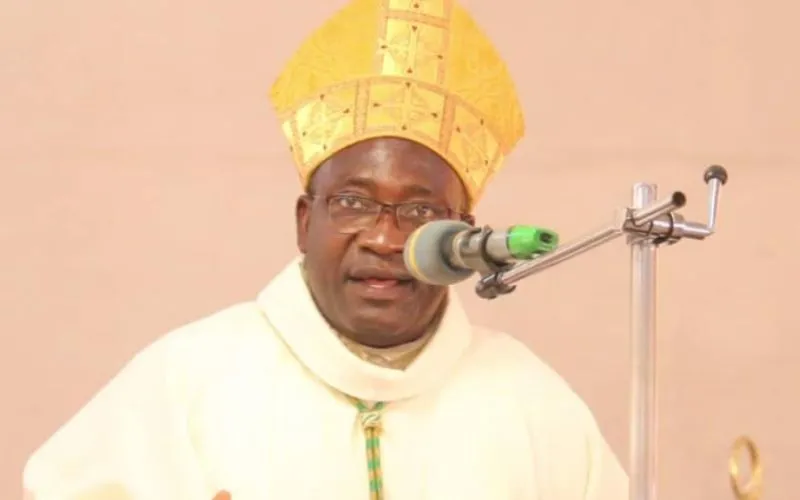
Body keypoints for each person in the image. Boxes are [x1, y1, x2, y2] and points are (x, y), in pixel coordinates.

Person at [23, 0, 629, 498]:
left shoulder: (529, 401)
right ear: (304, 220)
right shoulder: (187, 381)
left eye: (421, 212)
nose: (386, 239)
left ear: (464, 237)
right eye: (354, 203)